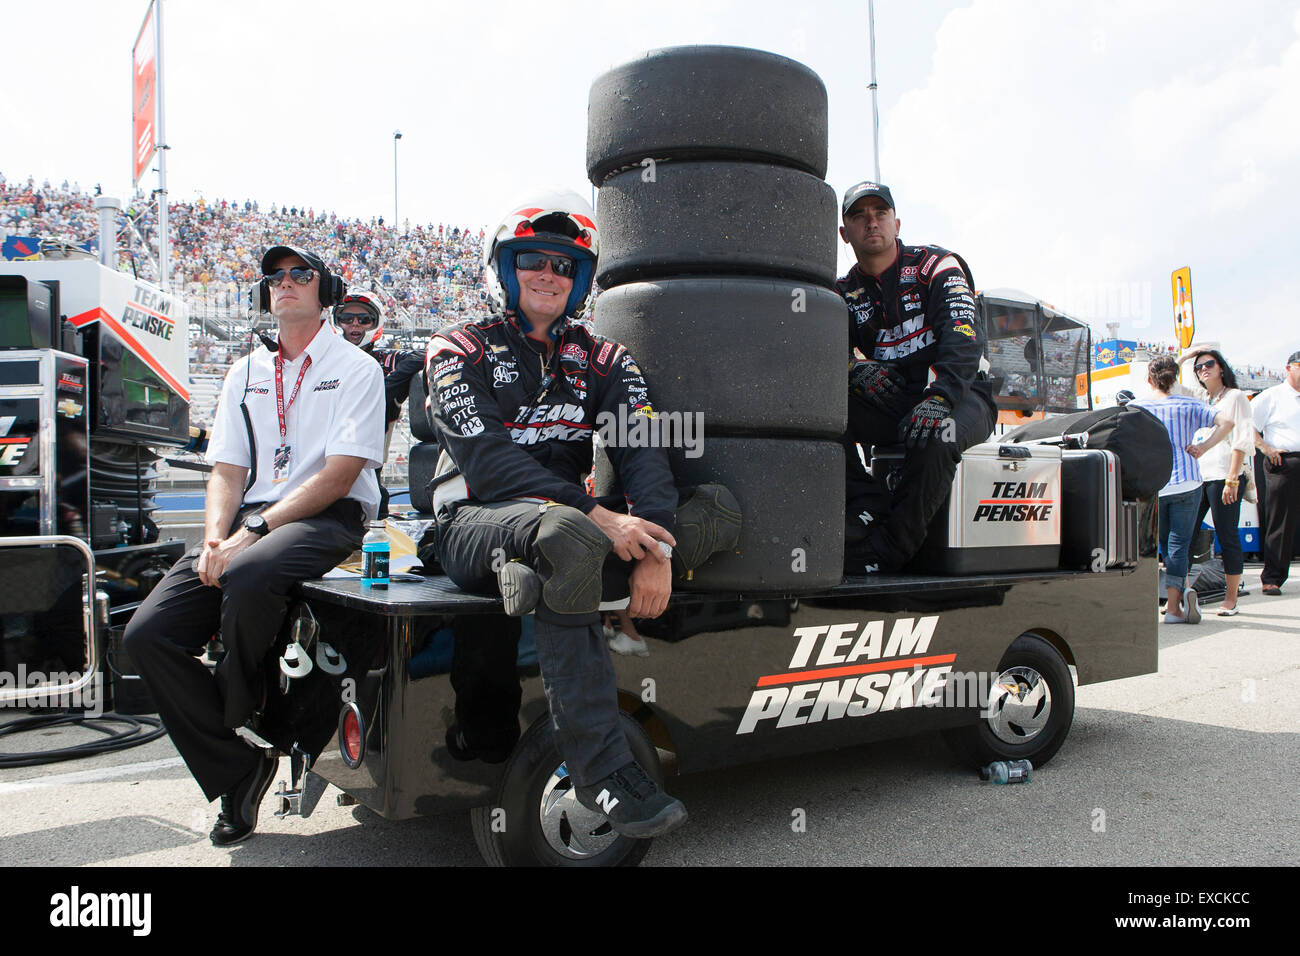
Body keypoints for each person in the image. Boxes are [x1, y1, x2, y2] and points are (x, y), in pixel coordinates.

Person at [421, 192, 740, 839]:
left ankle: (543, 582)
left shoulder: (606, 359)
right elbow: (491, 470)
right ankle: (601, 772)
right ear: (504, 271)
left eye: (564, 266)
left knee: (719, 510)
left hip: (565, 531)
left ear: (581, 281)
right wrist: (604, 520)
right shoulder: (455, 349)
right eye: (533, 261)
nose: (548, 274)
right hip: (472, 522)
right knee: (569, 534)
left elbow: (645, 455)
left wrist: (657, 550)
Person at [124, 246, 385, 845]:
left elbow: (341, 474)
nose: (285, 283)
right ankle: (239, 765)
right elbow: (226, 471)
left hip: (327, 515)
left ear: (327, 290)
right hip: (248, 521)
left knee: (248, 573)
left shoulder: (356, 367)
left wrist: (254, 533)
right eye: (275, 277)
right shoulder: (244, 372)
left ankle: (240, 710)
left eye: (301, 274)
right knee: (146, 635)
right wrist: (215, 538)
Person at [835, 181, 996, 573]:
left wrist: (939, 398)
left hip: (963, 393)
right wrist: (853, 368)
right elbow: (816, 353)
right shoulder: (842, 292)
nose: (872, 223)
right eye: (860, 216)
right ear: (845, 233)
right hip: (897, 399)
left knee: (938, 435)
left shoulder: (937, 265)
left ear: (896, 222)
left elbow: (962, 339)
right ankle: (867, 505)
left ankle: (892, 549)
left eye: (880, 214)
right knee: (818, 413)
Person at [1130, 356, 1234, 624]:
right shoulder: (1190, 404)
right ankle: (1174, 607)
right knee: (1178, 546)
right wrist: (1204, 447)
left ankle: (1143, 603)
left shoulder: (1136, 408)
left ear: (1149, 380)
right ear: (1175, 379)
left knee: (1150, 547)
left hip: (1152, 484)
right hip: (1187, 481)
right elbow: (1228, 422)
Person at [332, 285, 423, 516]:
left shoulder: (387, 360)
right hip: (321, 468)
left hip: (369, 474)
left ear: (376, 324)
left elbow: (428, 351)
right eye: (346, 317)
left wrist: (384, 390)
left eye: (364, 319)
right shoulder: (322, 361)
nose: (355, 324)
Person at [1182, 348, 1255, 614]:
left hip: (1225, 474)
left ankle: (1231, 598)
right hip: (1199, 475)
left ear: (1221, 367)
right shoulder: (1202, 398)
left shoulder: (1235, 397)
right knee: (1186, 536)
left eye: (1209, 364)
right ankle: (1182, 597)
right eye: (1199, 367)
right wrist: (1186, 356)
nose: (1203, 369)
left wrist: (1233, 479)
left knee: (1227, 535)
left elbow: (1243, 439)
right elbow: (1174, 385)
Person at [1251, 350, 1300, 595]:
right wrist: (1265, 448)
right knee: (1280, 521)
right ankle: (1272, 577)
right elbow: (1248, 426)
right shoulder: (1271, 396)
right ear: (1288, 367)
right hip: (1284, 460)